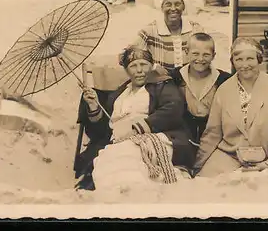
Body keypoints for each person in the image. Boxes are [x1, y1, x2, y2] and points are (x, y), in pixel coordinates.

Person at [76, 47, 195, 190]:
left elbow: (172, 110)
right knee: (105, 158)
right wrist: (94, 106)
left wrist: (135, 129)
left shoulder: (162, 84)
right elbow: (103, 132)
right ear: (126, 70)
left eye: (144, 65)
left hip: (156, 138)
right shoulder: (118, 95)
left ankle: (136, 193)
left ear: (151, 66)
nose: (139, 70)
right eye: (133, 66)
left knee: (124, 152)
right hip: (118, 143)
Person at [193, 37, 268, 177]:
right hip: (230, 155)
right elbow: (213, 133)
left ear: (259, 59)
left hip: (266, 157)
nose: (244, 65)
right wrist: (197, 166)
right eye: (239, 59)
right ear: (233, 62)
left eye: (250, 59)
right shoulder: (224, 90)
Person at [133, 0, 204, 73]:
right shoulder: (150, 31)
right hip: (160, 82)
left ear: (183, 6)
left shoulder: (195, 29)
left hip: (190, 80)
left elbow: (206, 56)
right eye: (168, 4)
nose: (173, 8)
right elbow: (127, 56)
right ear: (161, 7)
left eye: (177, 4)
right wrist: (152, 67)